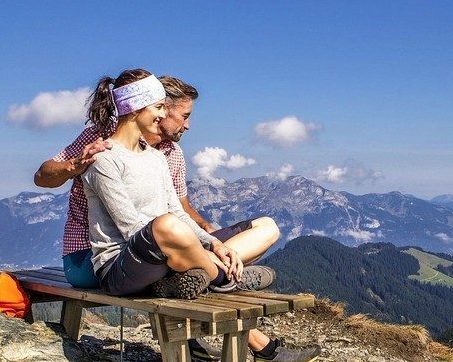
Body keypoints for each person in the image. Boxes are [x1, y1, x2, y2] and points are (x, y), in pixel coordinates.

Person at [76, 69, 320, 362]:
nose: (162, 114)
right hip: (119, 267)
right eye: (157, 108)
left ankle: (204, 277)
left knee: (171, 222)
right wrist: (205, 253)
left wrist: (215, 243)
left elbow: (178, 212)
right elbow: (131, 228)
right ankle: (223, 279)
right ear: (136, 109)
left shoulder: (155, 158)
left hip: (163, 256)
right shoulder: (104, 160)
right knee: (165, 225)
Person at [34, 76, 280, 290]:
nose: (188, 125)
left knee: (266, 227)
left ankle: (204, 271)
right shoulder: (100, 141)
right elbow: (42, 176)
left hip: (159, 242)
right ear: (151, 109)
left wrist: (212, 238)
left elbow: (181, 210)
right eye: (184, 116)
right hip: (91, 256)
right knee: (171, 234)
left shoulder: (168, 154)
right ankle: (221, 277)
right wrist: (73, 165)